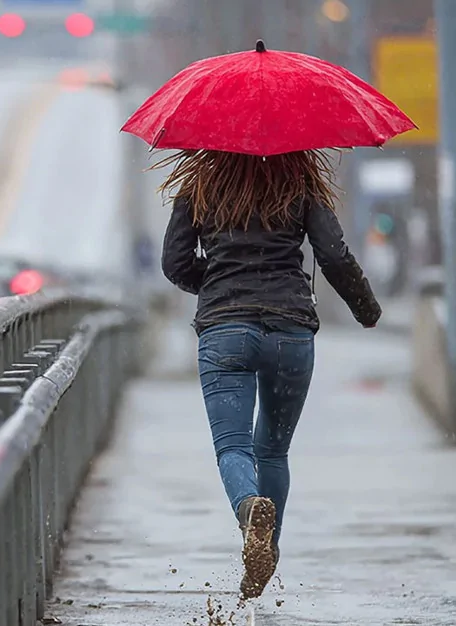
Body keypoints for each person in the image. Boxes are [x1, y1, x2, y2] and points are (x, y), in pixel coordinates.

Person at [157, 149, 381, 600]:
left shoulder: (201, 184)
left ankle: (248, 512)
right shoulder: (299, 182)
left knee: (233, 447)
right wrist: (366, 308)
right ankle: (266, 549)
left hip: (225, 331)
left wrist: (222, 281)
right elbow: (334, 257)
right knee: (274, 452)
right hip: (291, 333)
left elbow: (175, 263)